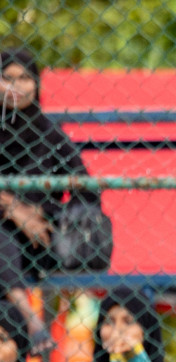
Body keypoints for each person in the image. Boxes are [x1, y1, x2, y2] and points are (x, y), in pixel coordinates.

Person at [0, 48, 102, 340]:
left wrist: (43, 214)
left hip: (41, 241)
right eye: (7, 78)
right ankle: (29, 320)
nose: (16, 87)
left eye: (25, 78)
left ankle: (26, 323)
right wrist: (14, 210)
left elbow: (87, 190)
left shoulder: (49, 134)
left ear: (36, 84)